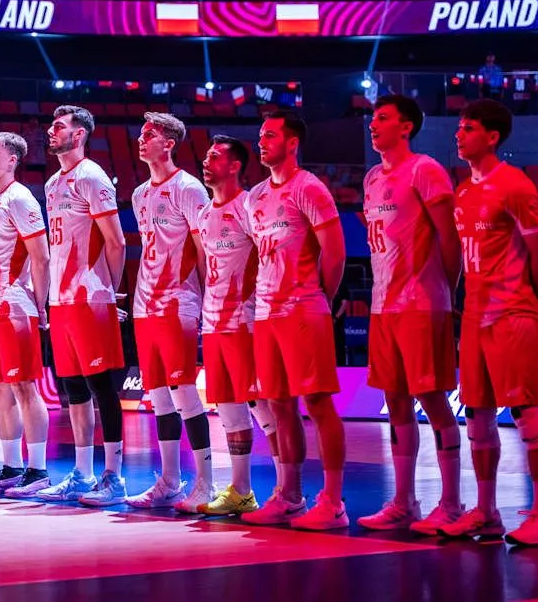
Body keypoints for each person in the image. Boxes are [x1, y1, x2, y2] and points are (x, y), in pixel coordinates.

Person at [442, 100, 538, 546]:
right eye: (459, 127)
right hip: (475, 316)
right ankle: (487, 512)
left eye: (469, 128)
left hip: (511, 313)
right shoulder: (462, 191)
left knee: (525, 412)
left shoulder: (515, 186)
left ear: (492, 137)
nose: (459, 135)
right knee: (477, 414)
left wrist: (528, 301)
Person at [357, 95, 465, 535]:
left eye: (383, 118)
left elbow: (450, 238)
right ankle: (403, 501)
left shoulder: (425, 170)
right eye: (372, 118)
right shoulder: (371, 178)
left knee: (434, 401)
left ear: (406, 127)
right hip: (383, 306)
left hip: (422, 303)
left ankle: (452, 503)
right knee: (396, 402)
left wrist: (447, 293)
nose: (373, 124)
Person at [242, 112, 348, 531]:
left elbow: (335, 253)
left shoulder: (309, 188)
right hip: (266, 313)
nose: (262, 141)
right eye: (261, 135)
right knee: (280, 405)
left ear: (292, 142)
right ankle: (289, 496)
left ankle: (334, 503)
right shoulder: (255, 195)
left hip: (303, 309)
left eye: (270, 135)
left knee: (318, 403)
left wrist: (321, 297)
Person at [37, 106, 128, 507]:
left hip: (89, 297)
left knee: (101, 387)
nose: (50, 131)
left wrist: (107, 290)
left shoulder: (92, 176)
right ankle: (82, 472)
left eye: (58, 126)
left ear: (78, 135)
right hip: (61, 299)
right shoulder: (53, 182)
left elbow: (116, 241)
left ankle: (114, 477)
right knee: (73, 389)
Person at [126, 113, 212, 511]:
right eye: (141, 134)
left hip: (179, 302)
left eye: (150, 135)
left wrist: (209, 300)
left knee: (185, 393)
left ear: (170, 143)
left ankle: (206, 483)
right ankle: (169, 480)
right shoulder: (139, 194)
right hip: (145, 304)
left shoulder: (189, 188)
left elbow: (204, 248)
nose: (141, 139)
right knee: (158, 395)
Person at [195, 136, 279, 517]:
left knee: (263, 406)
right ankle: (241, 490)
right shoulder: (203, 214)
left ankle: (286, 489)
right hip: (213, 323)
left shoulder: (248, 207)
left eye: (215, 157)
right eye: (206, 155)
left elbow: (267, 256)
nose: (206, 161)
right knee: (228, 409)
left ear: (234, 166)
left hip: (244, 323)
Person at [0, 131, 53, 498]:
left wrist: (41, 304)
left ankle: (38, 469)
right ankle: (11, 466)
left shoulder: (21, 199)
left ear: (13, 160)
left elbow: (41, 256)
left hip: (15, 305)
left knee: (24, 386)